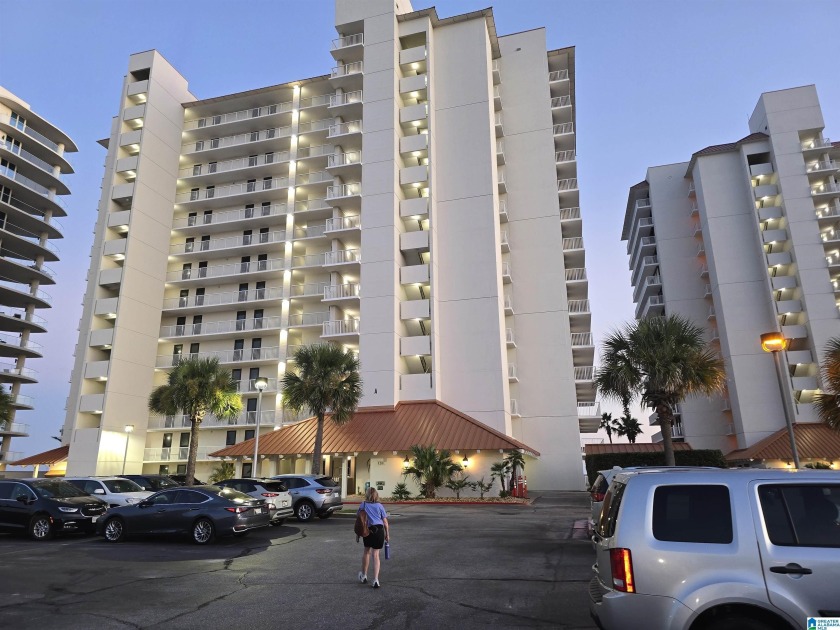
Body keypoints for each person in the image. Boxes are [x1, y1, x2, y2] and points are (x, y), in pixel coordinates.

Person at [357, 487, 389, 588]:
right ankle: (375, 580)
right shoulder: (379, 506)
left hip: (368, 530)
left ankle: (364, 575)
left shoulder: (363, 504)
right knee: (376, 555)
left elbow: (359, 519)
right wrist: (387, 534)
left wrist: (358, 533)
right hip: (379, 531)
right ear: (376, 495)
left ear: (367, 495)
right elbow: (385, 522)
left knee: (366, 552)